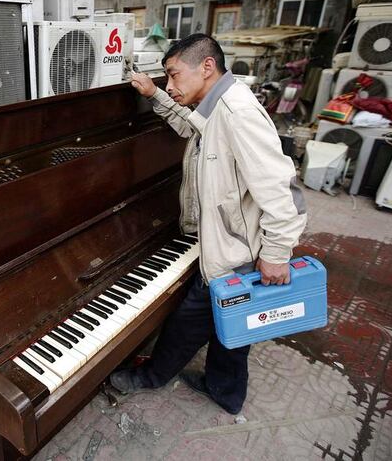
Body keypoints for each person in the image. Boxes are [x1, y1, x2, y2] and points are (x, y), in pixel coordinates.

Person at [109, 34, 307, 415]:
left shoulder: (237, 113)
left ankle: (150, 376)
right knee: (233, 329)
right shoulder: (218, 106)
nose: (170, 84)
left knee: (188, 324)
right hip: (234, 246)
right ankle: (225, 392)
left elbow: (285, 191)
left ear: (206, 67)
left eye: (173, 75)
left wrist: (278, 253)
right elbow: (191, 126)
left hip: (235, 254)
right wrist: (155, 95)